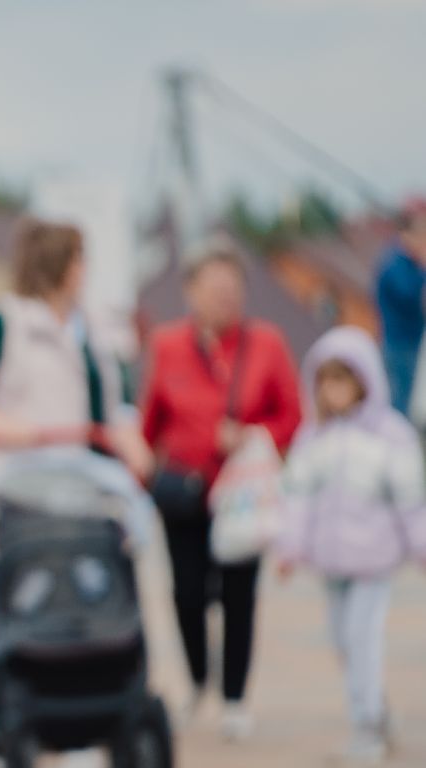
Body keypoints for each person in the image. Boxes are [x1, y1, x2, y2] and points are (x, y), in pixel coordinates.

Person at [140, 238, 302, 740]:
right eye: (214, 289)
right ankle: (196, 679)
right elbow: (152, 420)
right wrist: (139, 476)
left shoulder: (266, 344)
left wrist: (254, 436)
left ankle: (235, 698)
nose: (224, 299)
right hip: (185, 491)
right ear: (191, 291)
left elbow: (291, 415)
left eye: (233, 289)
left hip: (241, 494)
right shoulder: (167, 344)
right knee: (186, 593)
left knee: (239, 595)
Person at [274, 326, 426, 764]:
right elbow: (298, 498)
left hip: (373, 559)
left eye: (342, 380)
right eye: (325, 381)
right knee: (342, 639)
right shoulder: (314, 438)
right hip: (332, 560)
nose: (332, 391)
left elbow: (410, 500)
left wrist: (420, 546)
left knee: (364, 638)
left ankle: (366, 725)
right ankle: (374, 707)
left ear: (364, 382)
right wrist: (290, 546)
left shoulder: (390, 436)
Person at [0, 218, 152, 482]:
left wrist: (130, 437)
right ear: (56, 265)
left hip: (87, 474)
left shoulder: (96, 330)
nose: (85, 269)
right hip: (18, 474)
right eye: (78, 259)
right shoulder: (6, 323)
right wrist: (9, 428)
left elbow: (118, 403)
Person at [374, 198, 426, 415]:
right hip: (398, 348)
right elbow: (412, 297)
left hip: (414, 345)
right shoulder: (394, 264)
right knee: (400, 406)